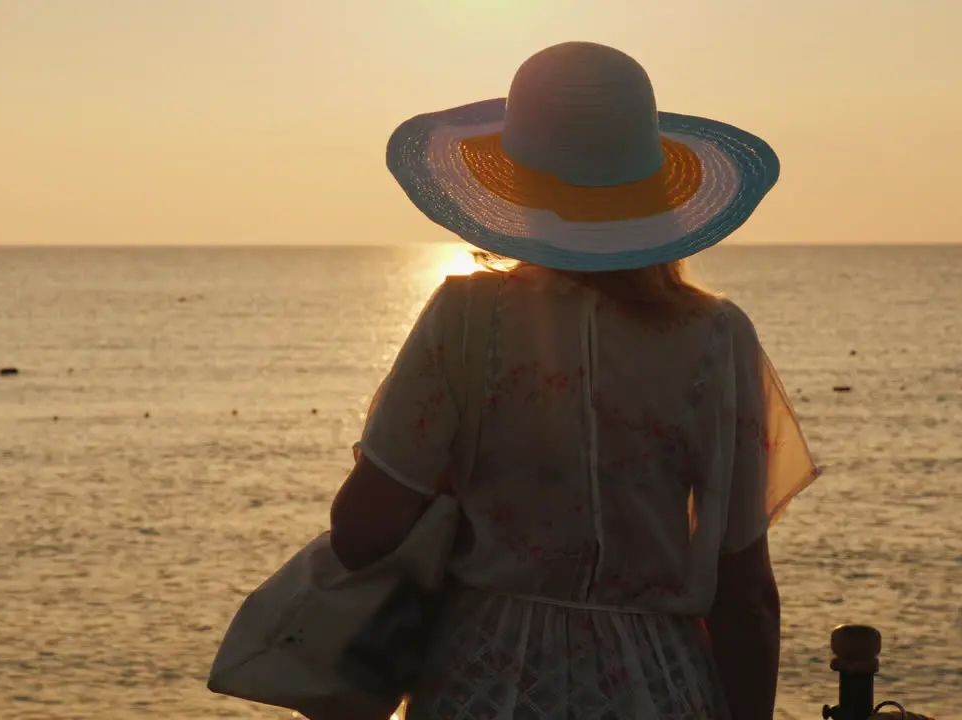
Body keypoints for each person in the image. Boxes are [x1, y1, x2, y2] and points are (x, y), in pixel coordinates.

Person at [328, 42, 821, 720]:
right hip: (657, 686)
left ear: (516, 187)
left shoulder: (466, 321)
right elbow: (746, 595)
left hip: (481, 683)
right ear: (655, 195)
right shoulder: (715, 336)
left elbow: (361, 533)